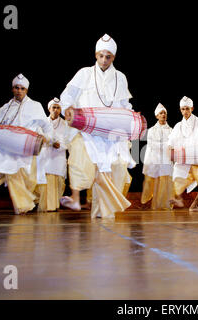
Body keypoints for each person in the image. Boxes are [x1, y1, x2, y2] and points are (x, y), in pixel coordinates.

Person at [58, 34, 134, 218]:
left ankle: (104, 210)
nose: (104, 60)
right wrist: (67, 107)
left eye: (108, 56)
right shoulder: (84, 73)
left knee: (112, 168)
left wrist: (130, 119)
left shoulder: (120, 77)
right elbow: (67, 95)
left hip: (110, 132)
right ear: (95, 55)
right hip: (87, 128)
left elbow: (125, 104)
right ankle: (75, 197)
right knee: (79, 156)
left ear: (113, 57)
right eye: (101, 55)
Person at [0, 74, 53, 214]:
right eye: (16, 88)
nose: (19, 90)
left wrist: (47, 138)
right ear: (12, 89)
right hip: (4, 145)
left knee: (16, 176)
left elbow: (47, 127)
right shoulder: (7, 106)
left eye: (22, 88)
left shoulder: (35, 106)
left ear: (26, 90)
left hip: (23, 147)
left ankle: (23, 206)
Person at [35, 98, 69, 212]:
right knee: (45, 180)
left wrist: (60, 145)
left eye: (58, 107)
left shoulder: (65, 124)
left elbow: (69, 142)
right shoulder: (42, 123)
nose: (55, 110)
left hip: (58, 157)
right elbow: (38, 137)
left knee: (58, 182)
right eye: (53, 107)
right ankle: (44, 206)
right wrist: (48, 142)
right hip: (45, 155)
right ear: (49, 108)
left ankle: (54, 206)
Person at [140, 103, 174, 210]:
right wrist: (166, 146)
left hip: (166, 159)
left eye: (164, 113)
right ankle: (146, 201)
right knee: (150, 181)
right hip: (153, 159)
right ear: (157, 116)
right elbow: (152, 145)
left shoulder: (171, 131)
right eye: (161, 113)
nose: (163, 115)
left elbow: (172, 144)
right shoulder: (151, 131)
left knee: (165, 182)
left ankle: (163, 204)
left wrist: (166, 146)